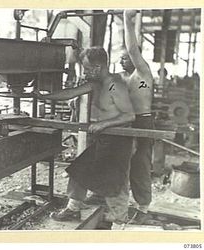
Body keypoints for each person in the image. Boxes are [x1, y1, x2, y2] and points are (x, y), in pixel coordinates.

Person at [33, 46, 135, 225]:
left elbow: (129, 115)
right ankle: (73, 209)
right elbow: (70, 93)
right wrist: (43, 97)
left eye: (87, 69)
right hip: (103, 138)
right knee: (79, 170)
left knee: (114, 180)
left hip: (119, 140)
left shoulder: (115, 84)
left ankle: (120, 218)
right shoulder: (95, 84)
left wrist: (103, 124)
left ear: (98, 68)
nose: (85, 73)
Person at [120, 10, 154, 223]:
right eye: (121, 58)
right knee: (125, 164)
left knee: (141, 164)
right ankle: (124, 202)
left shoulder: (143, 72)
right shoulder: (129, 78)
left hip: (144, 121)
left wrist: (126, 18)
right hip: (130, 122)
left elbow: (132, 48)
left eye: (125, 58)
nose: (122, 61)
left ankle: (143, 209)